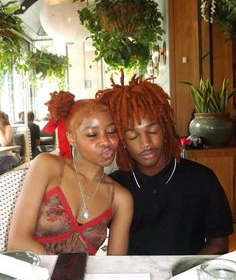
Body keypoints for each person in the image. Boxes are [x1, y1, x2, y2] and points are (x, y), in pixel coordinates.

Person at [96, 72, 233, 255]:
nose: (145, 144)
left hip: (187, 276)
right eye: (133, 136)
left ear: (165, 130)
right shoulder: (113, 186)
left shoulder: (202, 179)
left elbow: (219, 243)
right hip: (135, 278)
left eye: (152, 131)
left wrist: (181, 274)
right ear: (122, 142)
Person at [8, 91, 133, 255]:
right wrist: (62, 274)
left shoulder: (120, 198)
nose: (106, 141)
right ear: (71, 138)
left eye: (111, 131)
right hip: (33, 277)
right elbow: (18, 242)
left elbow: (116, 265)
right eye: (92, 134)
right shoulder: (47, 166)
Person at [43, 91, 72, 158]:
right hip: (64, 152)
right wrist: (53, 118)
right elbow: (48, 130)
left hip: (73, 151)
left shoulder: (74, 117)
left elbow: (48, 130)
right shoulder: (58, 119)